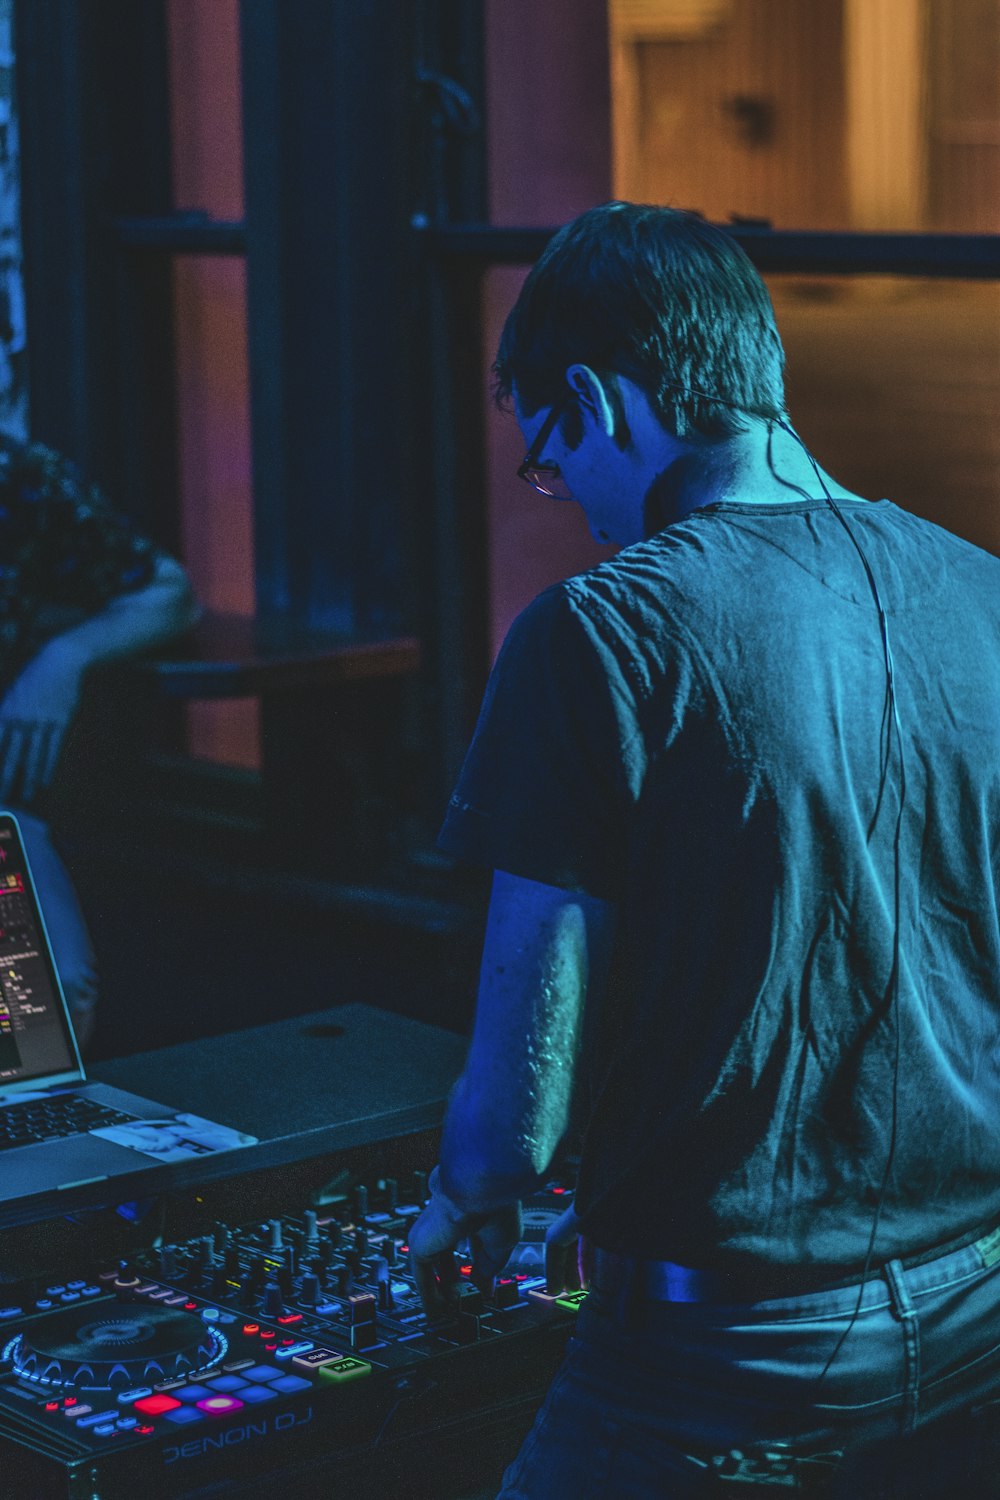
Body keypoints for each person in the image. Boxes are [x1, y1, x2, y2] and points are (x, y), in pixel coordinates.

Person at [407, 202, 1000, 1496]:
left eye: (552, 465)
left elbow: (514, 1116)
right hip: (981, 1314)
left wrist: (471, 1193)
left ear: (596, 397)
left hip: (726, 1351)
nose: (578, 514)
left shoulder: (598, 635)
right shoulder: (985, 591)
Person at [0, 436, 199, 1048]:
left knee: (48, 998)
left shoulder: (19, 476)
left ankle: (36, 1137)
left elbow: (169, 592)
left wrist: (67, 656)